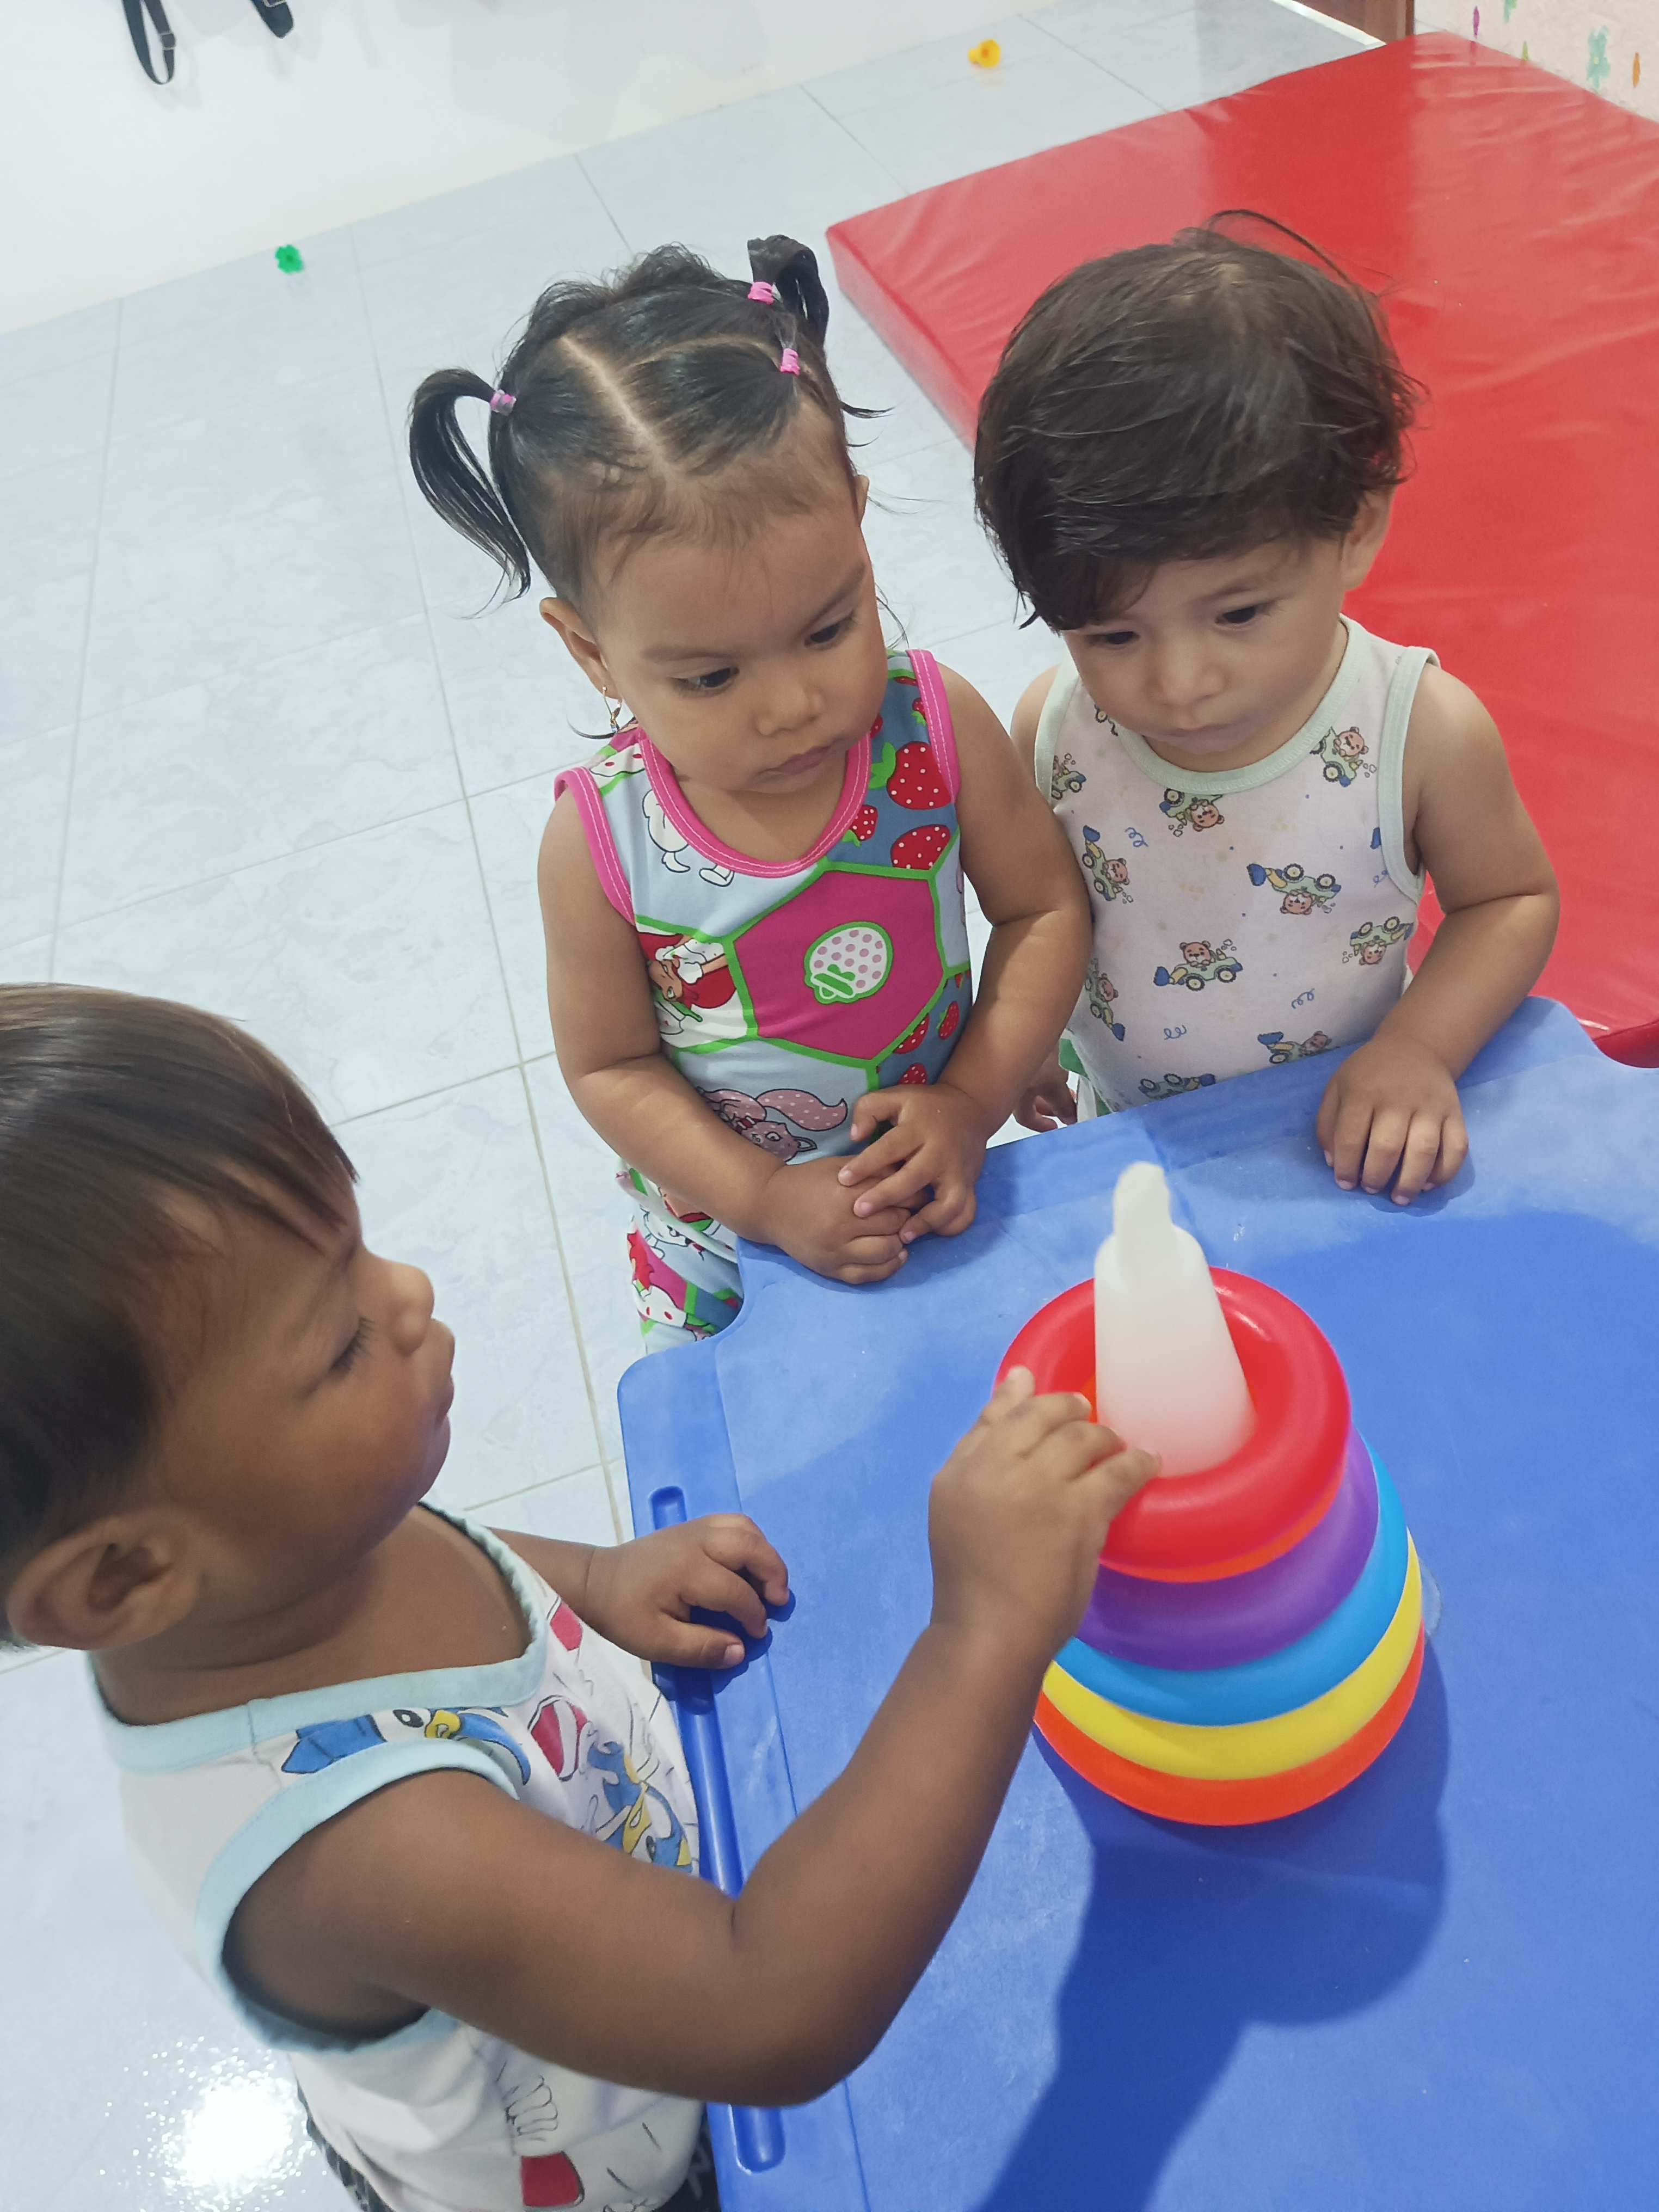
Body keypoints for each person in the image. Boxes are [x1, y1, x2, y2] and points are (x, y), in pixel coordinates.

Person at [0, 985, 1156, 2212]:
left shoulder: (276, 1559)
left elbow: (435, 1549)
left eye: (363, 1254)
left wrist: (595, 1581)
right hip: (620, 2160)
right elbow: (769, 2008)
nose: (410, 1293)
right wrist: (981, 1630)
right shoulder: (357, 1852)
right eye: (339, 1343)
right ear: (123, 1577)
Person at [409, 237, 1088, 1342]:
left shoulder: (933, 727)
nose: (791, 706)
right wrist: (764, 1199)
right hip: (722, 1242)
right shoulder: (601, 844)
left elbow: (1043, 909)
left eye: (828, 628)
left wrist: (972, 1098)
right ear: (590, 650)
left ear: (858, 525)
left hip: (939, 1174)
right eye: (712, 677)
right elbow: (612, 1067)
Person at [973, 218, 1559, 1203]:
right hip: (1135, 1134)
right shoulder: (1057, 725)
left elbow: (1509, 902)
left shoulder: (1418, 731)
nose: (1179, 683)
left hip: (1346, 1132)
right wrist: (1025, 1034)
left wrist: (1420, 1047)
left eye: (1239, 614)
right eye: (1112, 634)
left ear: (1355, 528)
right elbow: (1044, 911)